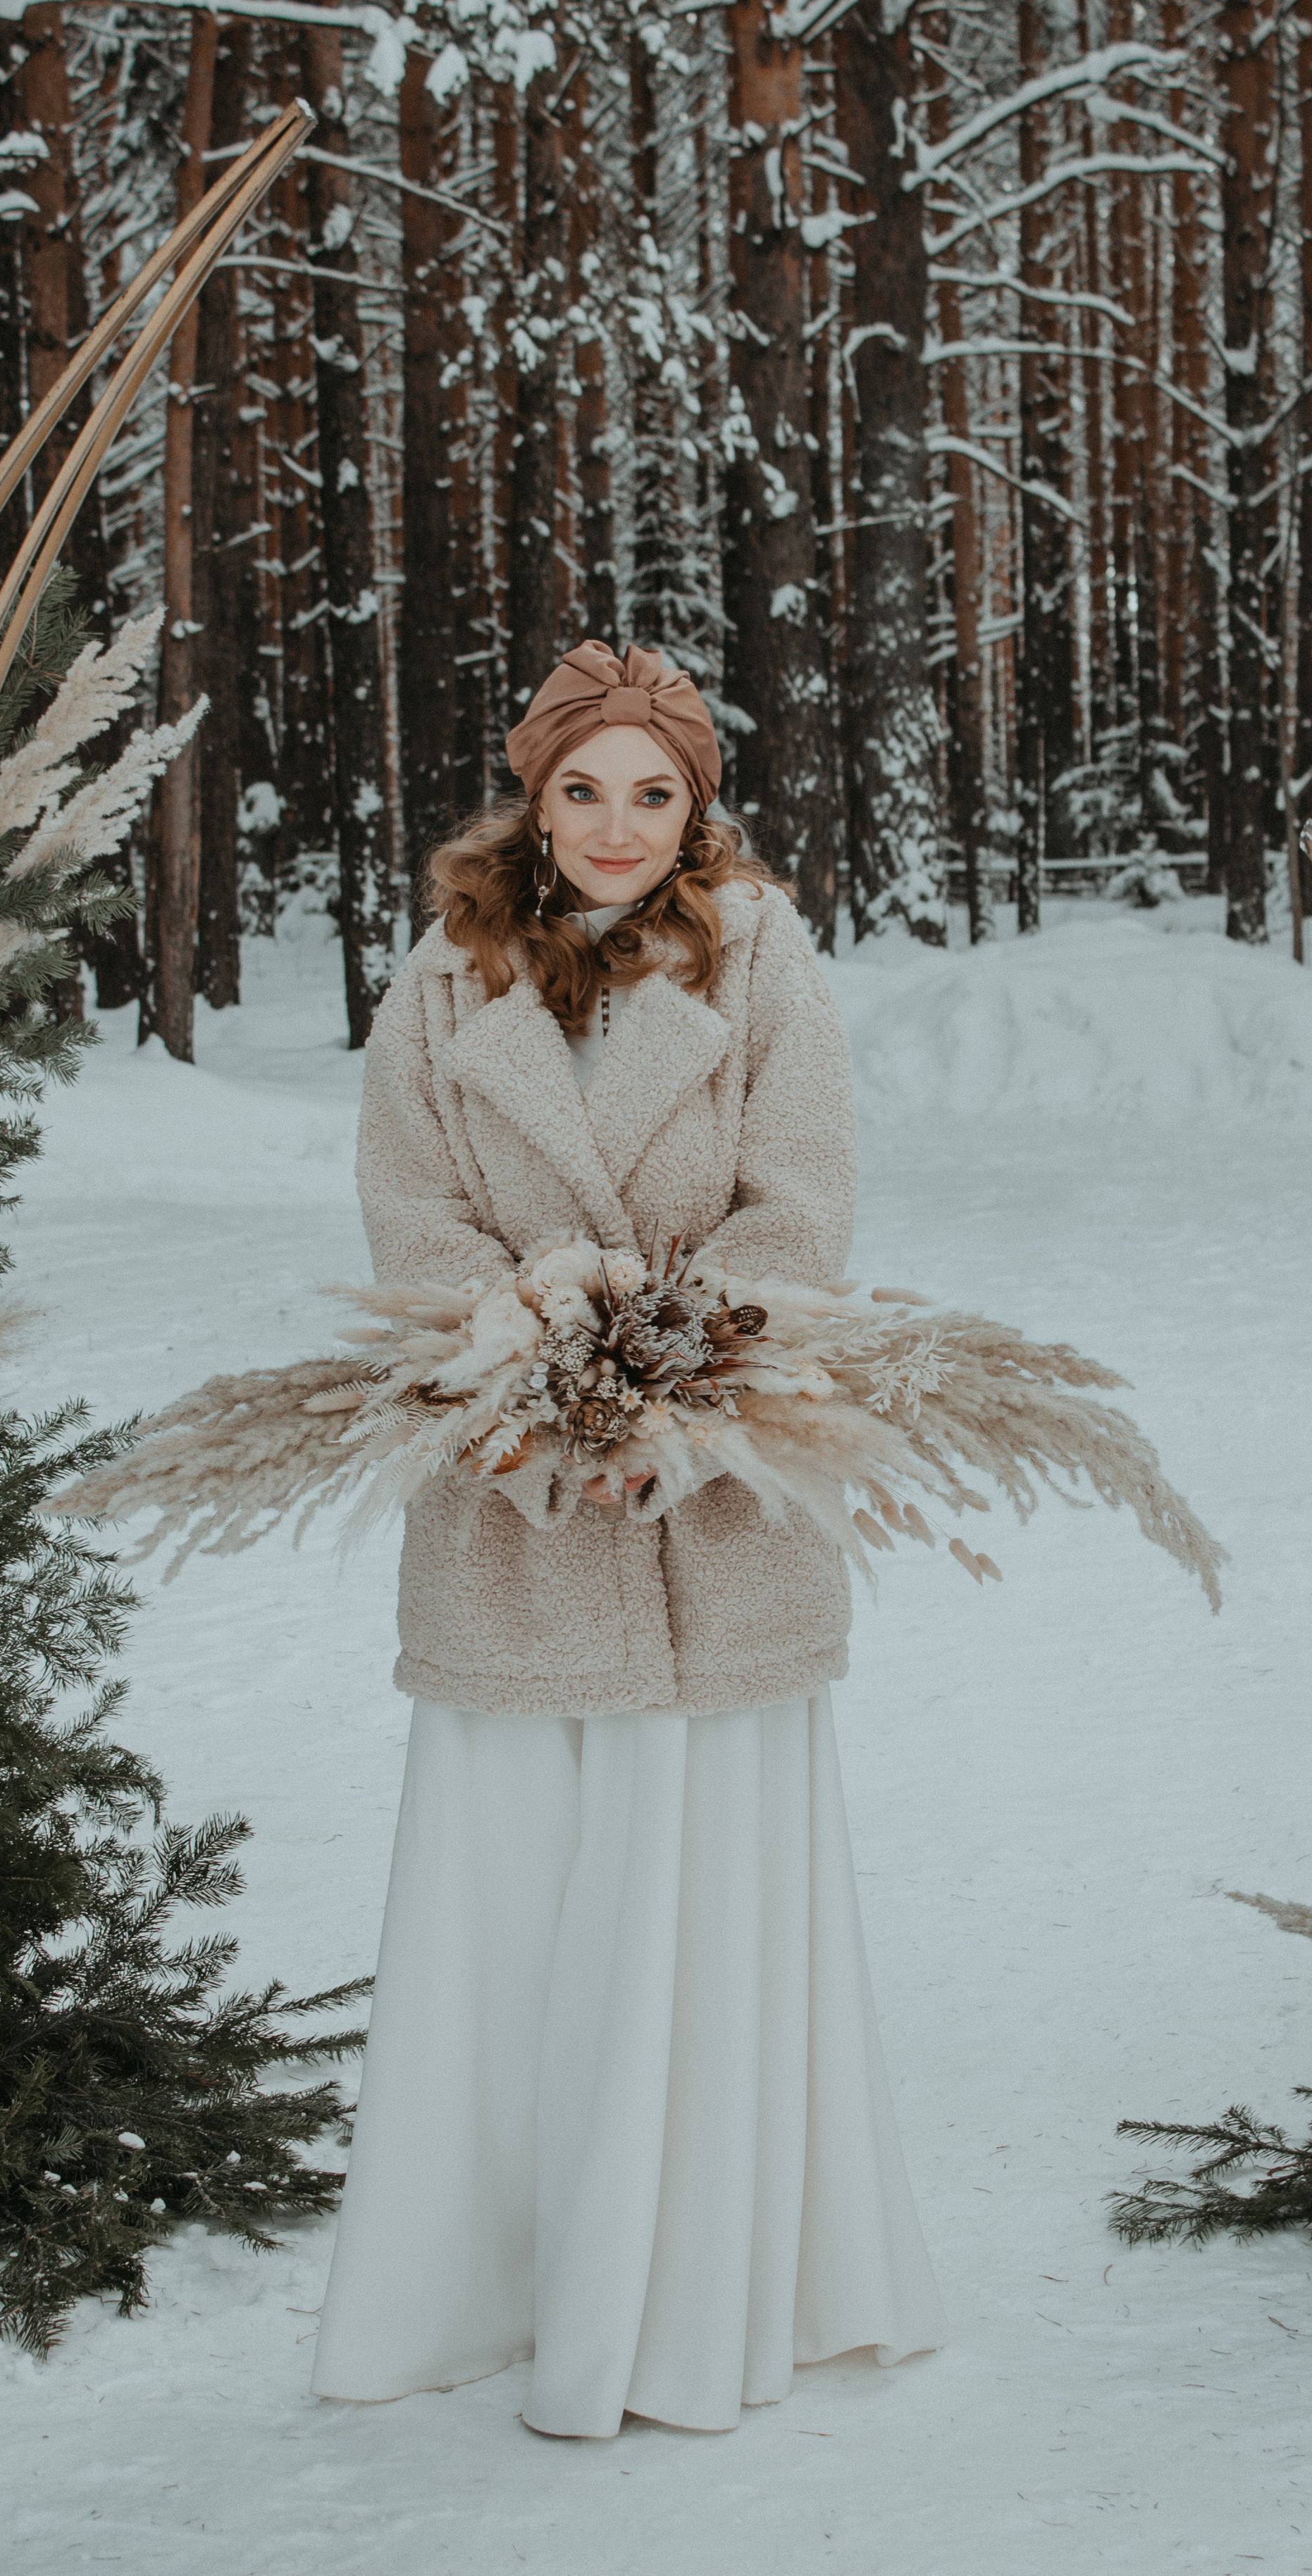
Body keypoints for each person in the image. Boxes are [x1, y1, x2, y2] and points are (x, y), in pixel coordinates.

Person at [309, 640, 943, 2437]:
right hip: (509, 1509)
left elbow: (795, 1202)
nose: (612, 827)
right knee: (512, 1890)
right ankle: (490, 2284)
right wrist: (531, 1407)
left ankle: (693, 2293)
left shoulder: (763, 962)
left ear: (696, 805)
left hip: (713, 1503)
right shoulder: (444, 981)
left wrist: (660, 1407)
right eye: (580, 789)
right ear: (533, 795)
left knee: (695, 1877)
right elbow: (411, 1213)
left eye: (650, 793)